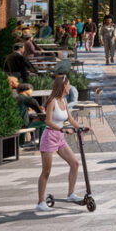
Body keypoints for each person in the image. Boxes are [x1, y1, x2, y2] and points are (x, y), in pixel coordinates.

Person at [34, 74, 83, 211]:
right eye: (68, 85)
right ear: (63, 86)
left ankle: (71, 194)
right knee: (46, 171)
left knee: (74, 163)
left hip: (59, 138)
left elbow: (71, 119)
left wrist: (81, 128)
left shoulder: (64, 101)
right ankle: (40, 202)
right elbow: (48, 121)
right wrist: (63, 129)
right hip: (49, 136)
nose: (70, 87)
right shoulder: (52, 101)